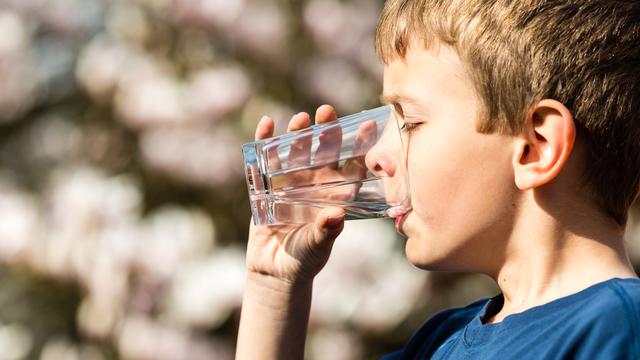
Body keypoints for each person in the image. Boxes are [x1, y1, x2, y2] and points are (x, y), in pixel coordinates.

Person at [235, 0, 640, 358]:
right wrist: (273, 288)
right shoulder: (436, 342)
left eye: (409, 122)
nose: (375, 157)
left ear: (536, 147)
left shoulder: (616, 330)